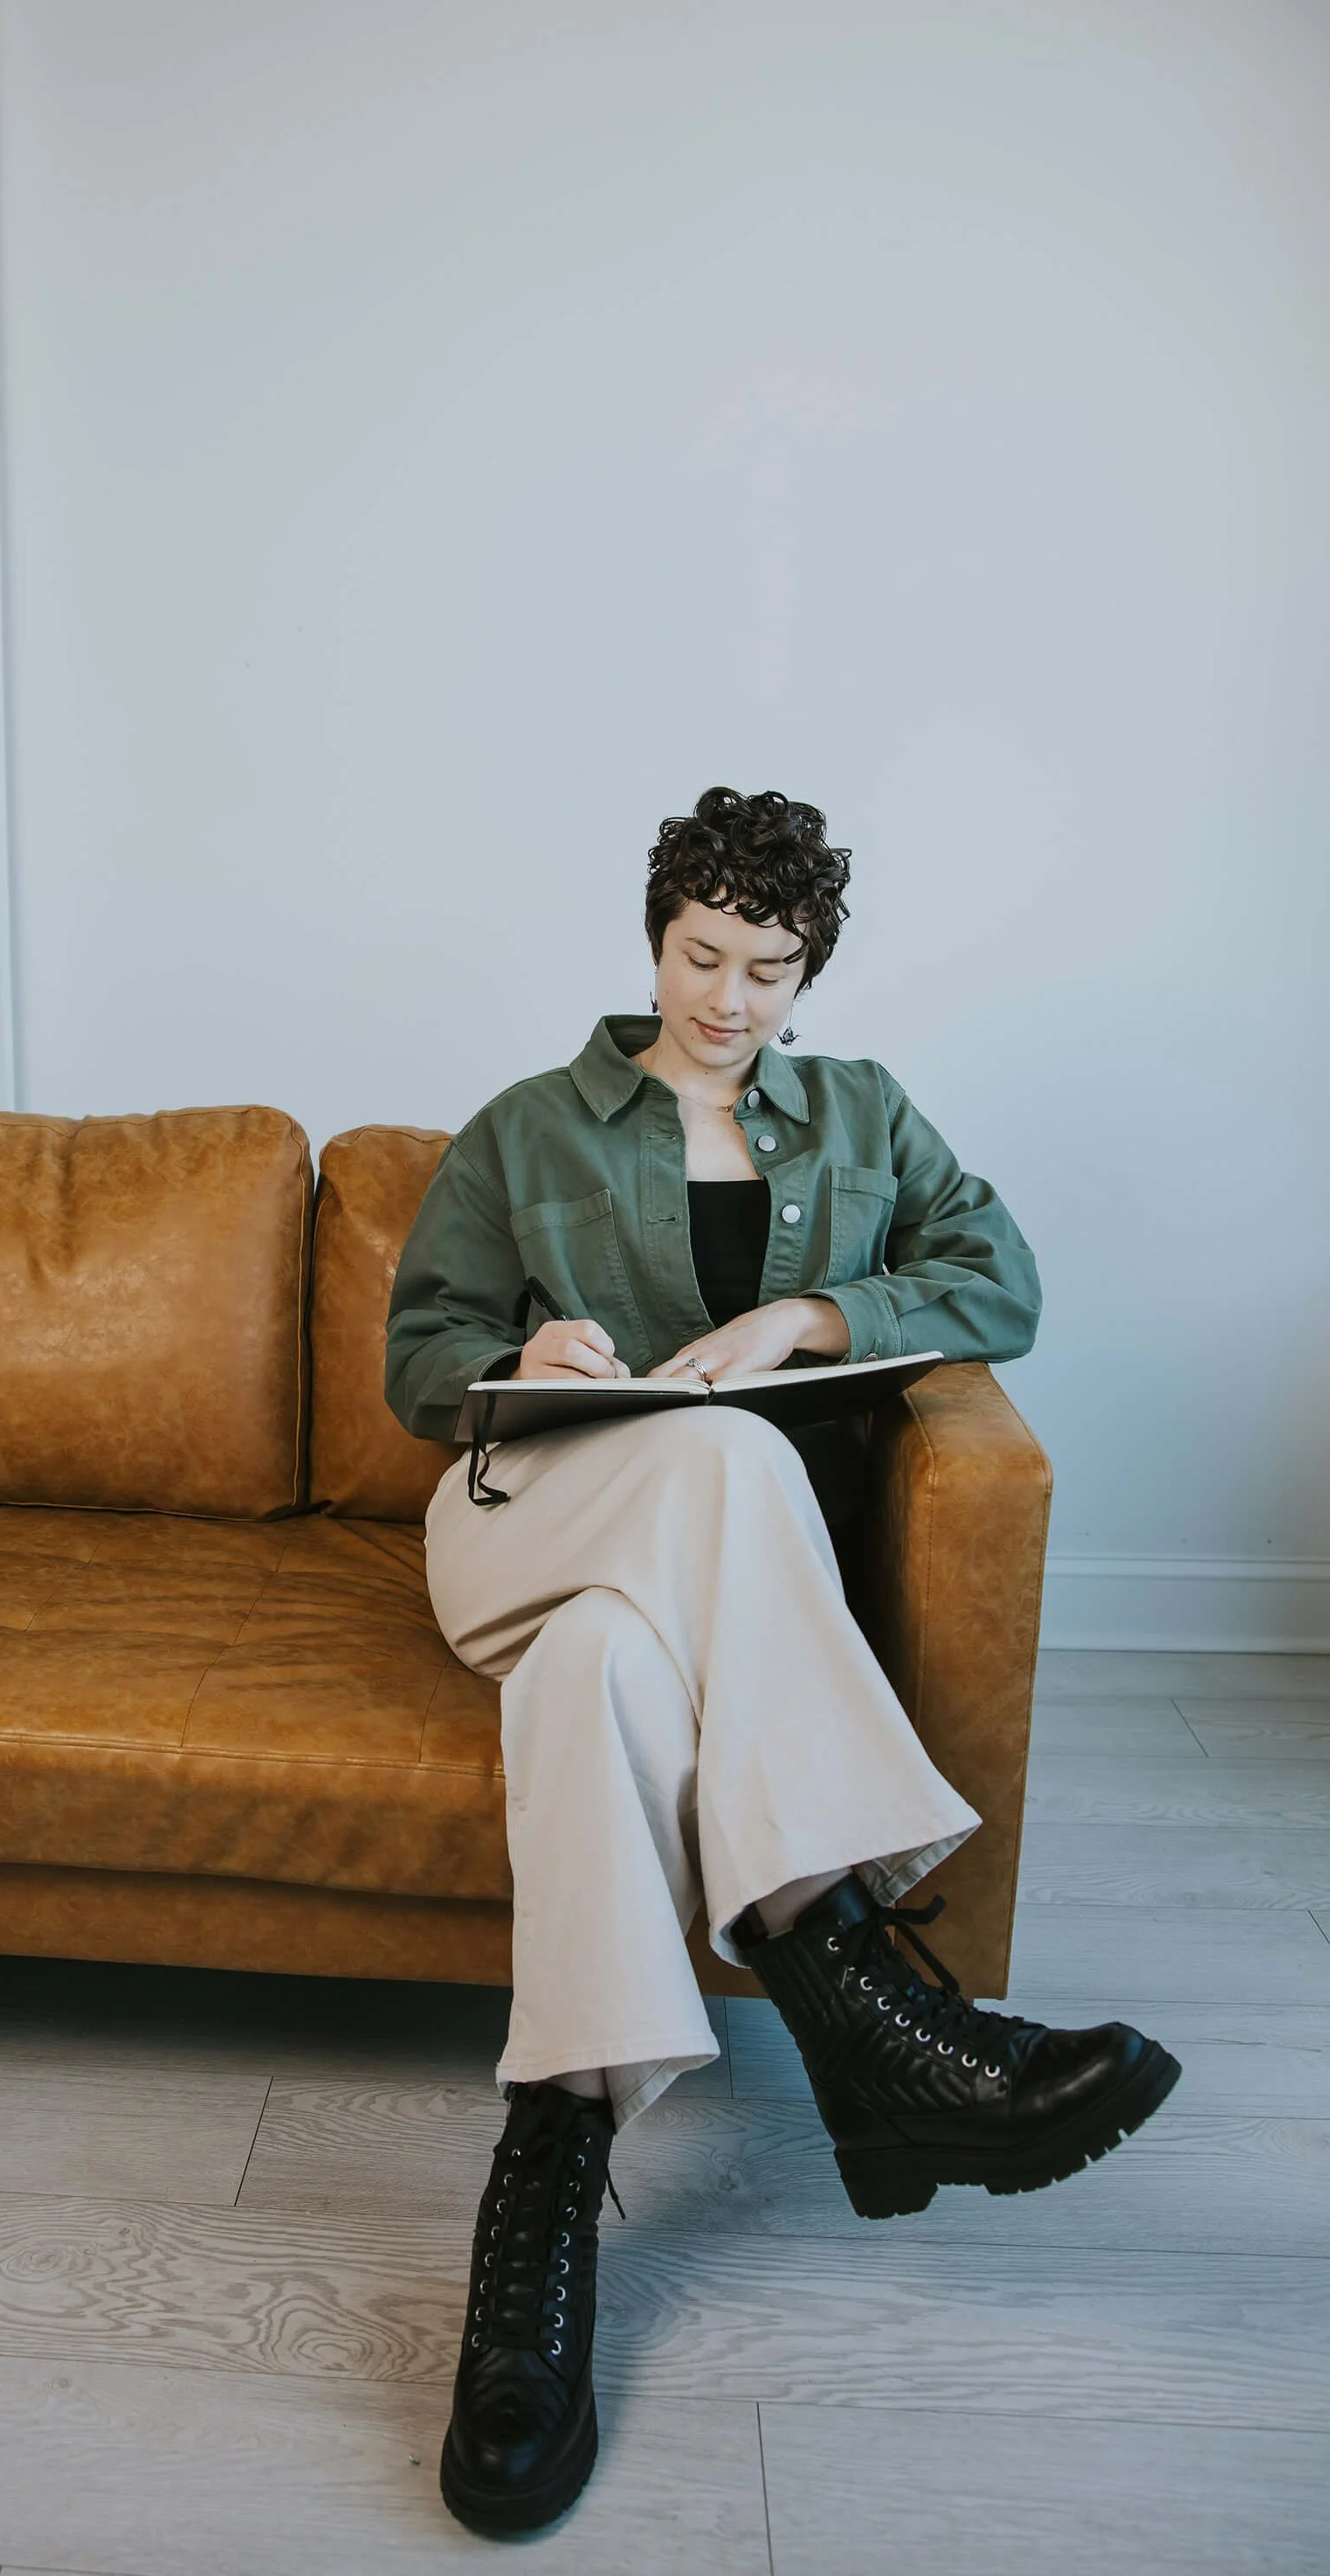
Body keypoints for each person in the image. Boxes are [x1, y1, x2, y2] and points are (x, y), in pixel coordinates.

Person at [384, 786, 1181, 2538]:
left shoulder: (863, 1118)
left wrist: (804, 1318)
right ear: (650, 933)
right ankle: (862, 1996)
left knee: (596, 1669)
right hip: (527, 1512)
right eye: (697, 954)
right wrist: (520, 1342)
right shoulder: (526, 1126)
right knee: (713, 1464)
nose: (726, 997)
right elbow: (412, 1354)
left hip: (655, 1596)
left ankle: (546, 2169)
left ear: (806, 968)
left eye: (765, 965)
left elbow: (1001, 1276)